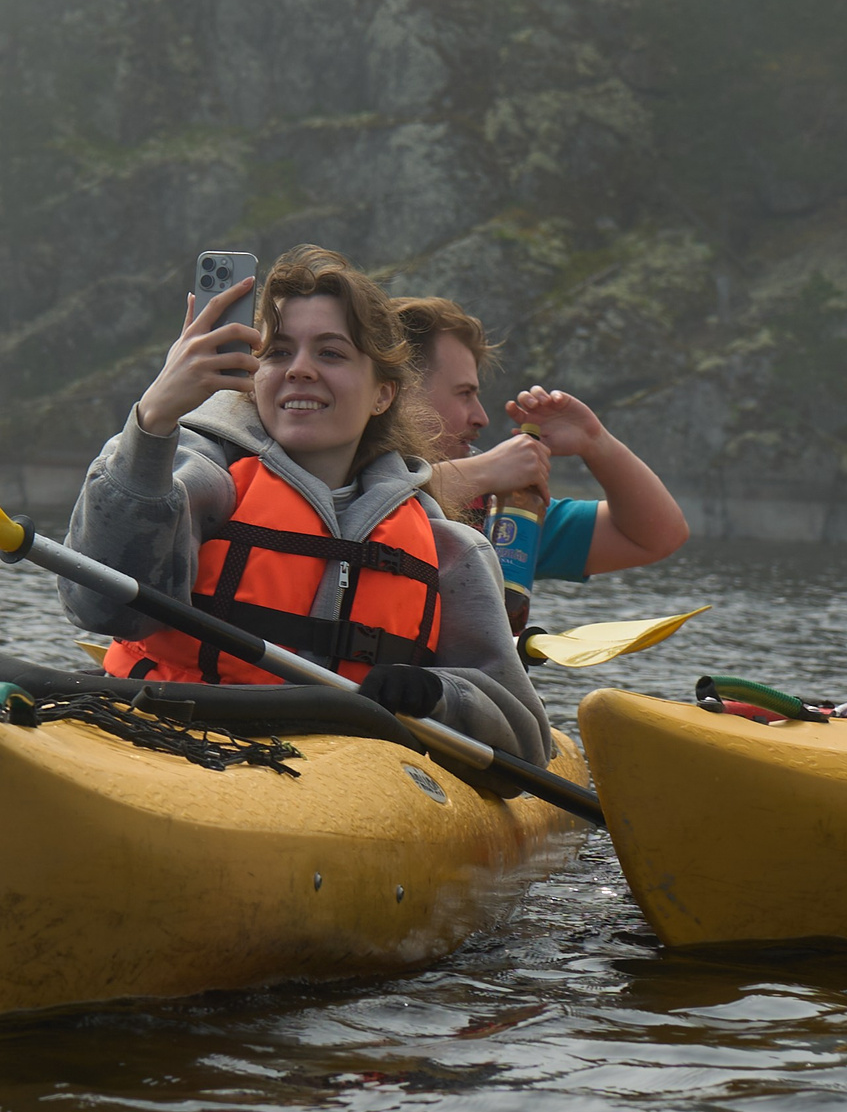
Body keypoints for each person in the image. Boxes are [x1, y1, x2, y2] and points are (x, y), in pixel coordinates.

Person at [62, 248, 553, 765]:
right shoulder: (196, 480)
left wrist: (439, 694)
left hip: (335, 778)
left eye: (331, 353)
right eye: (278, 352)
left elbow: (526, 742)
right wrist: (154, 419)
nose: (299, 369)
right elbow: (100, 608)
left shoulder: (449, 547)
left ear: (383, 394)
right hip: (170, 739)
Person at [393, 297, 690, 583]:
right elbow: (378, 504)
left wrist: (596, 441)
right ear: (398, 394)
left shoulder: (500, 518)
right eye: (465, 393)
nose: (481, 417)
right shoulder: (362, 490)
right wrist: (486, 470)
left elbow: (658, 536)